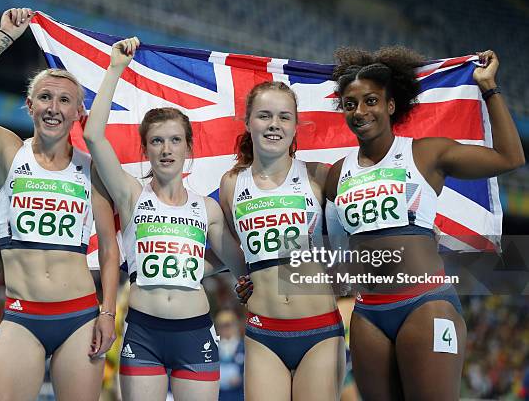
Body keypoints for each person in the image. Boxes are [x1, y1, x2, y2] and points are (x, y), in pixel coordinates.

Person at [324, 47, 525, 400]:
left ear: (390, 105)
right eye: (350, 103)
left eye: (371, 100)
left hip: (425, 304)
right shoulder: (337, 174)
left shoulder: (425, 153)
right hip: (368, 314)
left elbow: (509, 157)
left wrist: (489, 88)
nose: (360, 111)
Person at [0, 8, 120, 401]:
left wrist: (108, 313)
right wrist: (4, 37)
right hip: (22, 315)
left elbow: (109, 250)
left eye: (64, 100)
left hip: (80, 317)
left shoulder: (91, 170)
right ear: (30, 105)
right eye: (45, 97)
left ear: (78, 113)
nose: (54, 107)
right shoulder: (6, 151)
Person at [82, 38, 246, 401]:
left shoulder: (208, 208)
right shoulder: (130, 194)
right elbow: (93, 135)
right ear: (145, 149)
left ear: (189, 147)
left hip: (196, 333)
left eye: (174, 140)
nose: (166, 149)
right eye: (157, 141)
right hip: (143, 333)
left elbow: (243, 269)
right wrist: (115, 69)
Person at [219, 81, 346, 401]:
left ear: (296, 126)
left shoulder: (319, 175)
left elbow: (357, 230)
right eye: (264, 115)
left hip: (319, 333)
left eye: (284, 117)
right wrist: (242, 279)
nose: (274, 124)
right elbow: (240, 252)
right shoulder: (232, 184)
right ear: (248, 122)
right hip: (263, 335)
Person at [215, 310, 245, 401]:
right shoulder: (214, 347)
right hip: (219, 395)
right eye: (222, 326)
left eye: (228, 325)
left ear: (235, 326)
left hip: (238, 394)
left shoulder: (243, 347)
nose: (225, 329)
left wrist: (241, 377)